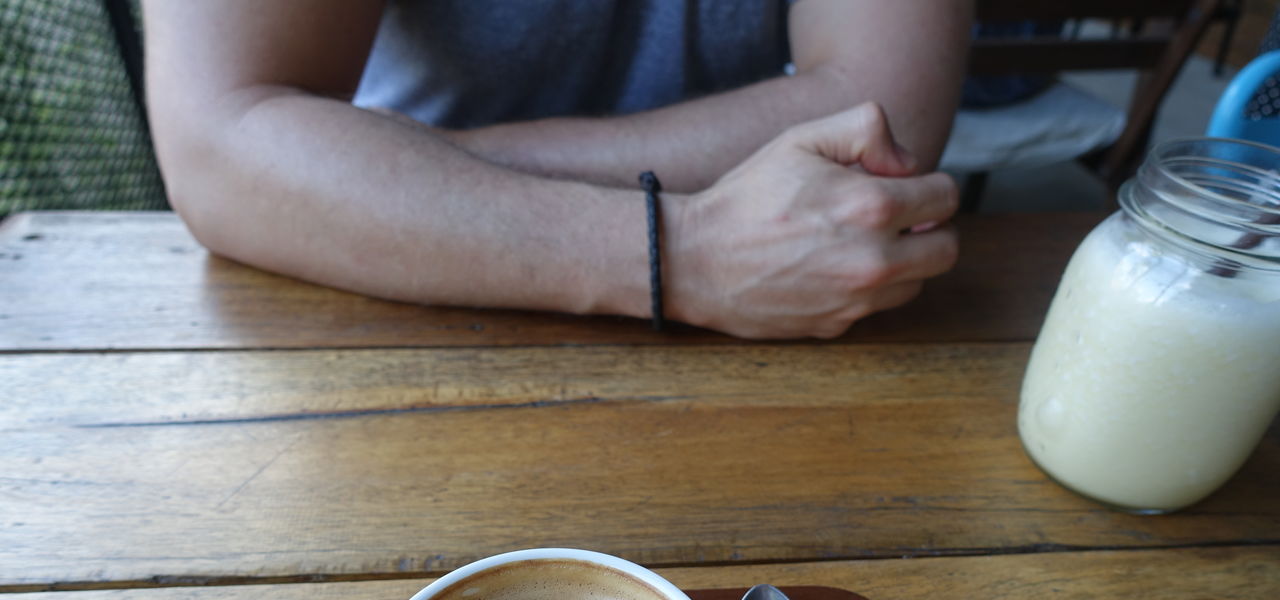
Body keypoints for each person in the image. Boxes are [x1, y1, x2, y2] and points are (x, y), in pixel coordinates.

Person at [142, 0, 972, 339]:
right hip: (386, 311)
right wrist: (687, 251)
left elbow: (877, 114)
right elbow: (220, 147)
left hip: (796, 288)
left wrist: (384, 173)